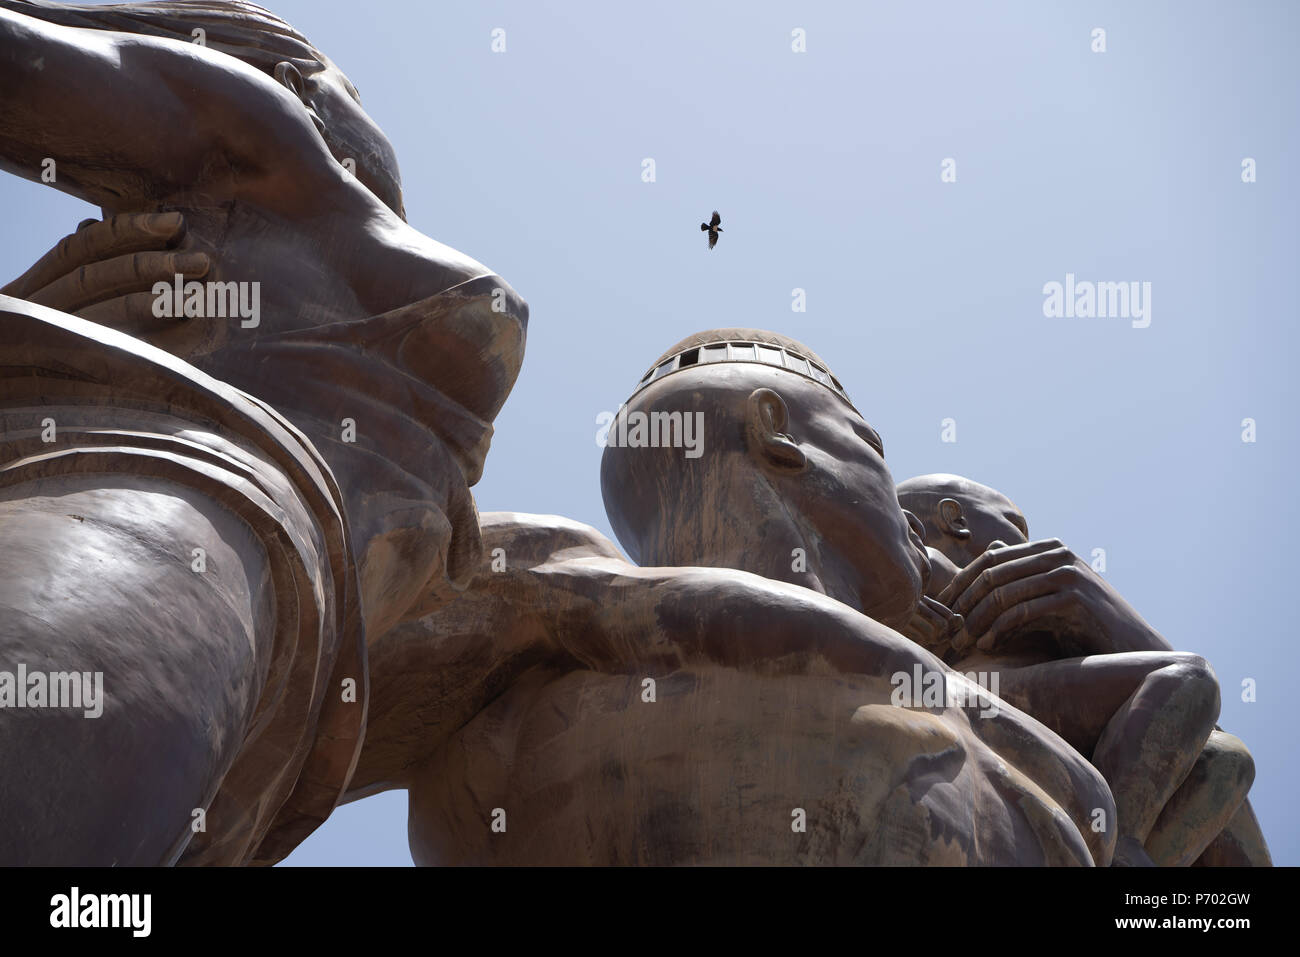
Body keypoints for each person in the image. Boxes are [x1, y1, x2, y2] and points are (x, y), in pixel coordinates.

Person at [0, 0, 526, 864]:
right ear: (296, 80)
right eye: (349, 87)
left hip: (276, 705)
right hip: (169, 499)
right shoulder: (262, 128)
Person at [897, 474, 1271, 866]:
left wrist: (1102, 614)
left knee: (1227, 757)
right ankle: (1116, 847)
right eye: (1016, 525)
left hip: (1052, 710)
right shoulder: (931, 568)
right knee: (1188, 677)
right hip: (974, 694)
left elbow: (1192, 728)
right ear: (955, 519)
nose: (1025, 539)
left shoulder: (1048, 604)